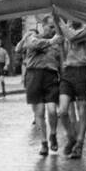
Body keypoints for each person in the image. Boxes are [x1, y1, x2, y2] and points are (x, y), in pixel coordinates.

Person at [15, 20, 62, 156]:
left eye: (55, 28)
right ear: (43, 26)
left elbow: (61, 61)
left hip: (51, 76)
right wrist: (51, 41)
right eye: (50, 27)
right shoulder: (33, 37)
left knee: (52, 110)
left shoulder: (58, 43)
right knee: (40, 112)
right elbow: (31, 44)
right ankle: (44, 142)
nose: (53, 30)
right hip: (34, 75)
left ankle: (53, 134)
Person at [56, 17, 86, 159]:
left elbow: (72, 37)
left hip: (82, 72)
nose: (72, 18)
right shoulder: (67, 32)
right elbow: (63, 48)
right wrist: (58, 42)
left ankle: (79, 144)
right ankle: (71, 136)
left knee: (82, 111)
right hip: (68, 73)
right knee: (63, 111)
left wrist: (59, 21)